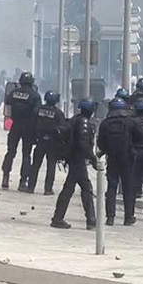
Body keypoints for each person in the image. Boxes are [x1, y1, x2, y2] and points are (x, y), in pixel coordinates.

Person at [51, 98, 98, 230]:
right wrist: (93, 158)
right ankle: (90, 220)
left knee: (71, 188)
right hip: (77, 159)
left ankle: (59, 217)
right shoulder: (83, 122)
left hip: (74, 158)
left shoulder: (75, 119)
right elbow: (83, 144)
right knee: (84, 189)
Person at [97, 97, 141, 226]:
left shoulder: (105, 123)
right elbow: (140, 137)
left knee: (111, 187)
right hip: (127, 158)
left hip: (112, 158)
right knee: (128, 187)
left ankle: (110, 217)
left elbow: (100, 143)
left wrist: (106, 150)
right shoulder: (130, 122)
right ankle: (128, 217)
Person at [2, 72, 41, 191]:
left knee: (10, 152)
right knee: (26, 155)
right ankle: (23, 181)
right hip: (28, 128)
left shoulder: (13, 93)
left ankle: (5, 177)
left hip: (15, 126)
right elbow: (37, 113)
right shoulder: (35, 96)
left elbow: (7, 108)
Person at [27, 90, 66, 195]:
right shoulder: (58, 113)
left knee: (35, 165)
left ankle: (30, 187)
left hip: (40, 142)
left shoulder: (38, 110)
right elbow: (64, 129)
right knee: (51, 166)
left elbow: (32, 124)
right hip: (52, 143)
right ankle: (48, 189)